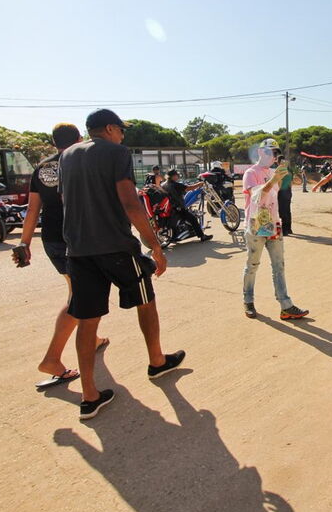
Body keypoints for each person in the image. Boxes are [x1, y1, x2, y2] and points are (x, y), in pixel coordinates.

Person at [59, 108, 184, 420]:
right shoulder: (116, 153)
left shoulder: (68, 155)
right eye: (122, 130)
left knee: (88, 320)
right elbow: (130, 202)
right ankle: (157, 362)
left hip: (77, 248)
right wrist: (155, 245)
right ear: (111, 129)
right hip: (114, 245)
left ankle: (89, 395)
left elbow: (66, 200)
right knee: (146, 299)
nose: (123, 135)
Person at [13, 123, 109, 387]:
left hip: (52, 239)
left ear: (53, 142)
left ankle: (94, 337)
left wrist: (24, 243)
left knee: (80, 292)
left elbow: (33, 209)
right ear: (79, 139)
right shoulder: (78, 162)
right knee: (80, 297)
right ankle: (52, 359)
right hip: (78, 239)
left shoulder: (42, 167)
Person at [241, 138, 308, 320]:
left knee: (279, 266)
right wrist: (273, 179)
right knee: (252, 265)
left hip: (272, 223)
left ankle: (285, 305)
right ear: (261, 153)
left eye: (276, 153)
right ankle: (248, 300)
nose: (273, 156)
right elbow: (257, 195)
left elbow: (276, 195)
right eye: (270, 152)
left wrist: (286, 175)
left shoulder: (274, 172)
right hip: (255, 224)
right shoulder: (250, 173)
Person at [165, 169, 213, 242]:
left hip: (170, 207)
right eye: (176, 175)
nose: (177, 176)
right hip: (178, 208)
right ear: (173, 176)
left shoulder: (164, 184)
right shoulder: (175, 184)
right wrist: (199, 184)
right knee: (193, 219)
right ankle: (202, 236)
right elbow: (188, 188)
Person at [277, 156, 297, 236]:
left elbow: (279, 183)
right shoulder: (290, 170)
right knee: (288, 210)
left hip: (281, 191)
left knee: (282, 211)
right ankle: (289, 229)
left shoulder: (279, 170)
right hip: (288, 191)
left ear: (278, 162)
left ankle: (284, 230)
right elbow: (291, 183)